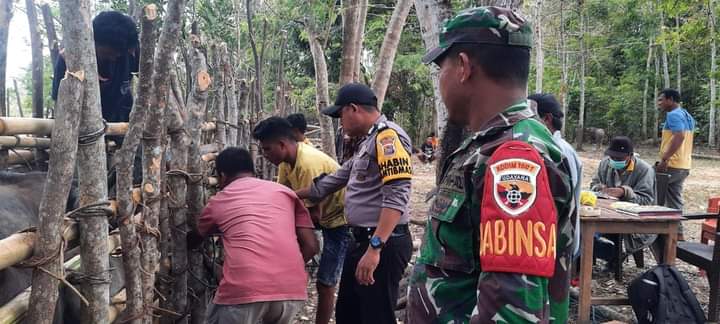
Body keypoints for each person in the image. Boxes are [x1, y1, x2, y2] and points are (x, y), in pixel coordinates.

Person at [407, 7, 574, 323]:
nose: (440, 80)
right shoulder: (489, 144)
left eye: (439, 68)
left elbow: (512, 311)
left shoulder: (514, 156)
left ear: (463, 67)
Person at [296, 83, 413, 324]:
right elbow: (333, 180)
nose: (340, 123)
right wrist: (287, 194)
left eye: (340, 116)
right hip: (360, 240)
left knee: (375, 316)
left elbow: (397, 195)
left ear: (353, 109)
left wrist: (375, 248)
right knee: (349, 313)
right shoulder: (368, 142)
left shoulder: (388, 137)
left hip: (381, 242)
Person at [193, 147, 318, 324]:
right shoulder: (284, 193)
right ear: (252, 170)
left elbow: (197, 236)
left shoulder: (220, 200)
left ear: (222, 175)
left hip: (244, 290)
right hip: (291, 288)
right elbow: (312, 247)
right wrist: (282, 271)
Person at [252, 117, 350, 324]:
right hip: (320, 217)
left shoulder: (307, 164)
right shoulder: (286, 162)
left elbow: (315, 215)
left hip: (339, 222)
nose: (265, 155)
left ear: (282, 145)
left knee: (326, 282)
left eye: (267, 149)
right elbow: (283, 197)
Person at [52, 11, 139, 123]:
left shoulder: (129, 52)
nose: (114, 58)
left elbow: (148, 82)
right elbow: (60, 103)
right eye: (109, 53)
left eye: (119, 54)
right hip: (84, 126)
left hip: (121, 120)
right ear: (93, 41)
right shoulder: (70, 59)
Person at [590, 136, 656, 270]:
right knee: (584, 231)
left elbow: (647, 201)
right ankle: (598, 255)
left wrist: (624, 192)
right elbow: (593, 184)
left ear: (630, 156)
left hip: (632, 220)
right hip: (605, 214)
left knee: (598, 239)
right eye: (612, 157)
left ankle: (614, 255)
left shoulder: (644, 170)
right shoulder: (605, 164)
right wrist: (599, 188)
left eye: (619, 159)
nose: (614, 161)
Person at [530, 93, 583, 258]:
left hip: (557, 244)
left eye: (530, 117)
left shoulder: (559, 151)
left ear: (546, 119)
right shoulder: (553, 148)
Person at [656, 88, 695, 239]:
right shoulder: (686, 115)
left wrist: (665, 159)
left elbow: (679, 136)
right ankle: (677, 235)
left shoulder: (673, 115)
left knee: (652, 194)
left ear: (670, 100)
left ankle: (653, 233)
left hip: (671, 165)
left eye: (661, 100)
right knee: (674, 200)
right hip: (683, 165)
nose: (659, 103)